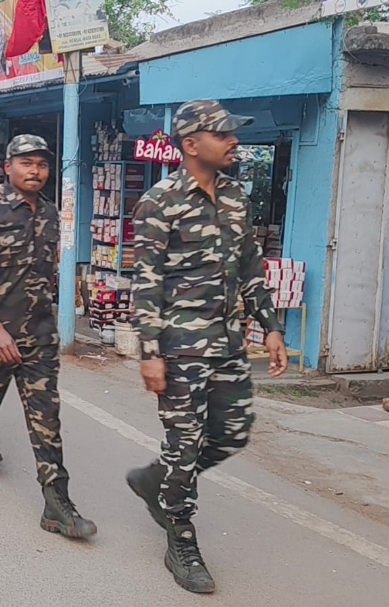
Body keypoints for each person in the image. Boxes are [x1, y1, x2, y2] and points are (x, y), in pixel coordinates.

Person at [125, 100, 288, 594]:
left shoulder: (236, 195)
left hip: (228, 340)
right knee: (186, 441)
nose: (234, 141)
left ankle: (157, 480)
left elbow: (250, 266)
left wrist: (271, 326)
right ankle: (181, 536)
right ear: (192, 144)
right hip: (178, 346)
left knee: (233, 433)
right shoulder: (159, 201)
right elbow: (146, 283)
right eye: (224, 134)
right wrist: (149, 353)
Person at [0, 135, 96, 540]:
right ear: (7, 167)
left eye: (42, 164)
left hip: (39, 339)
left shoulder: (50, 213)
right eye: (26, 163)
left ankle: (57, 503)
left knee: (47, 421)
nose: (35, 171)